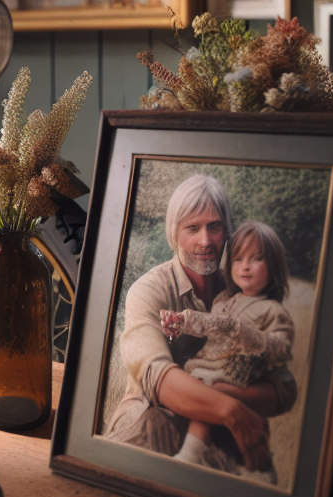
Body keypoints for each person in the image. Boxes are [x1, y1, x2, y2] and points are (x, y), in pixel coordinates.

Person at [103, 174, 297, 473]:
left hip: (219, 439)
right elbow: (157, 377)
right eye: (192, 228)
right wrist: (233, 410)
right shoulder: (147, 291)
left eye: (214, 226)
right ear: (174, 234)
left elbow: (284, 388)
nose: (205, 240)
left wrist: (228, 398)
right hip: (150, 427)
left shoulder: (244, 289)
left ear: (227, 231)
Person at [160, 221, 295, 483]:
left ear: (274, 268)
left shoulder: (273, 311)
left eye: (256, 259)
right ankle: (248, 464)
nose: (245, 266)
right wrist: (181, 324)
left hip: (237, 374)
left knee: (209, 393)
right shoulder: (224, 301)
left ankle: (192, 454)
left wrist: (253, 337)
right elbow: (207, 326)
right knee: (194, 389)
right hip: (209, 364)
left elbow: (281, 347)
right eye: (238, 258)